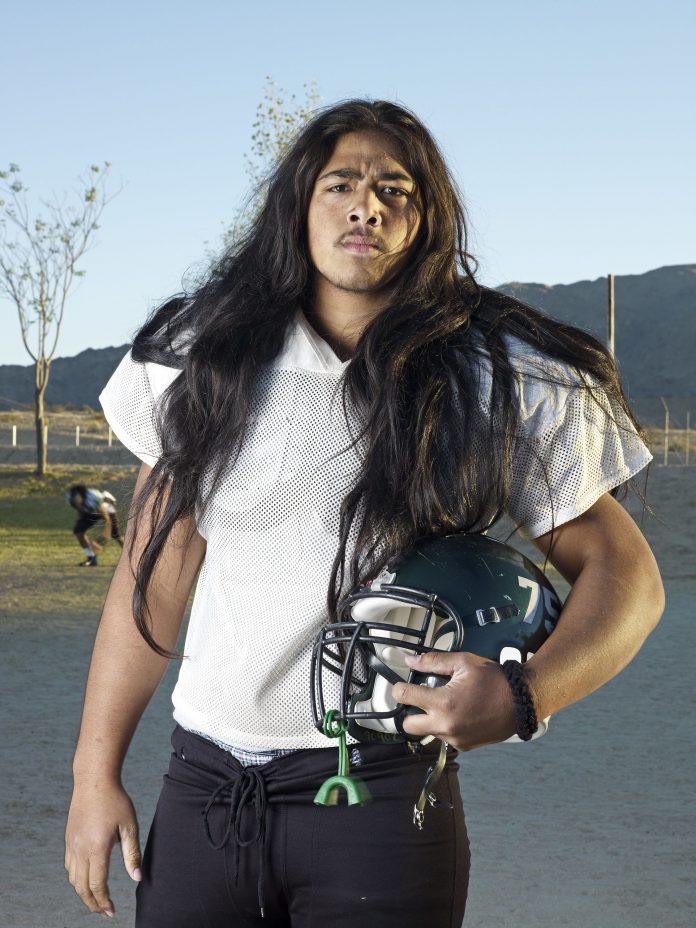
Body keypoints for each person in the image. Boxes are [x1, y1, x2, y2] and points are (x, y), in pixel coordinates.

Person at [64, 99, 664, 927]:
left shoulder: (491, 376)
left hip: (380, 797)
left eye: (395, 190)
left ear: (426, 220)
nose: (366, 206)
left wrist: (527, 694)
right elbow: (150, 582)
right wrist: (93, 776)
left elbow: (628, 576)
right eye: (340, 183)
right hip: (205, 786)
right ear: (297, 209)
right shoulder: (208, 355)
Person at [66, 484, 124, 566]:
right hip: (91, 511)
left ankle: (130, 555)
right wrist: (80, 521)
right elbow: (80, 510)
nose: (77, 504)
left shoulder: (92, 497)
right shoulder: (71, 498)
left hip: (106, 510)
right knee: (78, 531)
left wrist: (102, 540)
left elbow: (107, 520)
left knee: (115, 534)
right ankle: (91, 558)